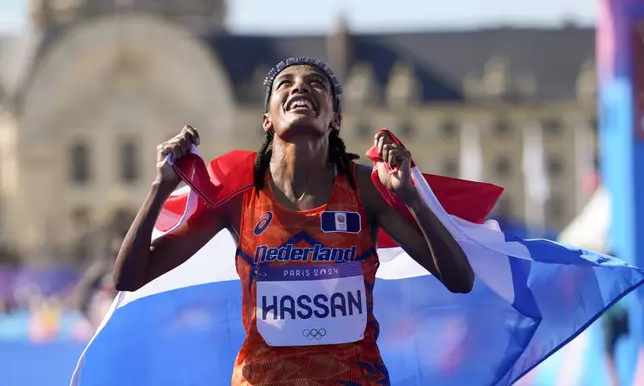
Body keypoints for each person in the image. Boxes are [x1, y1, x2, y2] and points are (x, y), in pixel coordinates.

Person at [112, 57, 475, 385]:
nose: (300, 85)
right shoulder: (239, 193)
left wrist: (411, 197)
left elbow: (460, 280)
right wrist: (160, 188)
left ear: (335, 118)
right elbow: (128, 277)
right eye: (285, 83)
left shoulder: (365, 188)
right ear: (267, 120)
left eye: (316, 83)